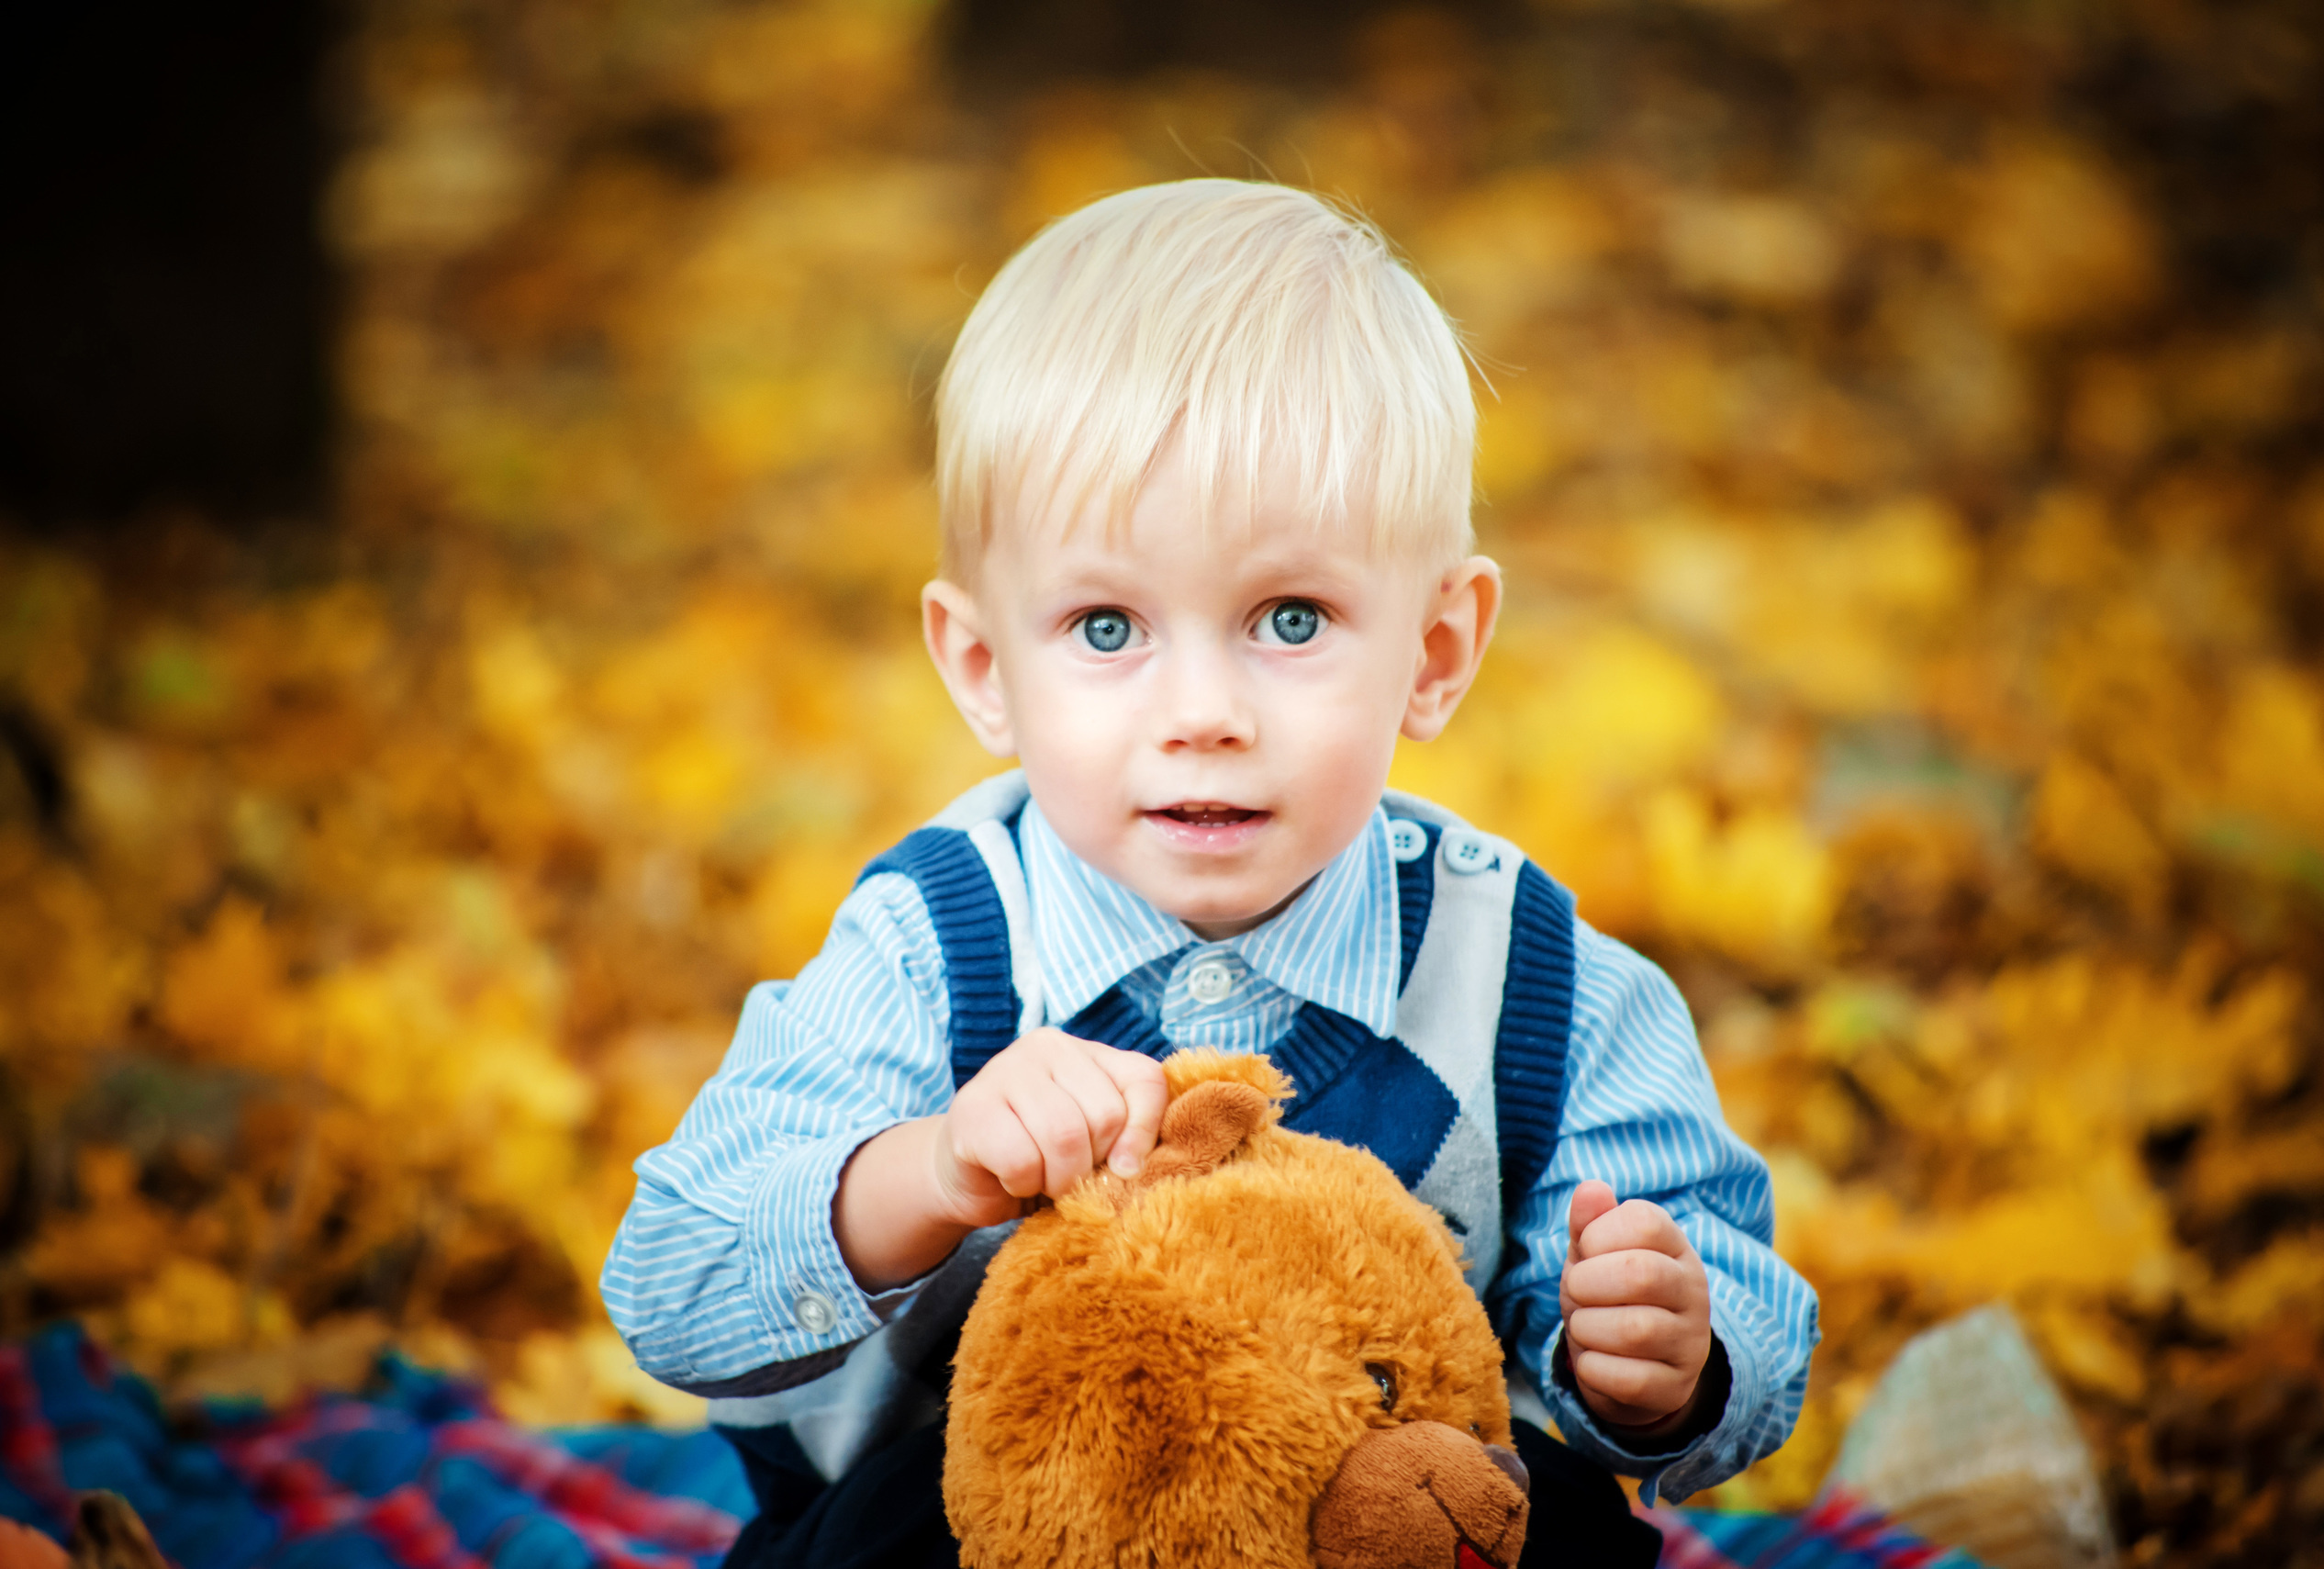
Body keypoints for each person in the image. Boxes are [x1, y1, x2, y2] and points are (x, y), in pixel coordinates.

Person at [600, 180, 1819, 1569]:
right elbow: (668, 1284)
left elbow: (1736, 1310)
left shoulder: (1522, 977)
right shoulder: (940, 944)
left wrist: (1664, 1355)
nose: (1204, 709)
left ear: (1434, 652)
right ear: (985, 668)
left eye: (1288, 618)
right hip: (998, 1527)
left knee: (1559, 1526)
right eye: (1106, 624)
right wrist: (926, 1172)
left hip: (1371, 1520)